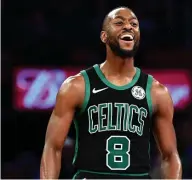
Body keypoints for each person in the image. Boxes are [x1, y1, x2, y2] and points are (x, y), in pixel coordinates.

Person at [40, 6, 182, 179]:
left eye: (134, 24)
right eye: (119, 23)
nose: (128, 26)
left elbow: (170, 156)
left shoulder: (156, 91)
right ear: (104, 36)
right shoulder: (76, 86)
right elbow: (52, 148)